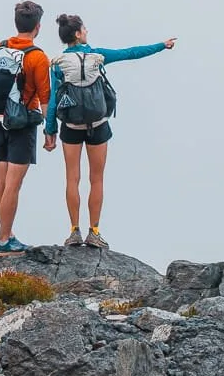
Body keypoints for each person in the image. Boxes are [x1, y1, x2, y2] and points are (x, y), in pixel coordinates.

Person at [44, 14, 176, 250]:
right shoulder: (97, 55)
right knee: (97, 179)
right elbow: (131, 52)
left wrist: (50, 130)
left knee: (72, 178)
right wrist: (161, 46)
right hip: (98, 125)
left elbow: (53, 98)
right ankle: (94, 232)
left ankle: (74, 231)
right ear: (78, 34)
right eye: (84, 28)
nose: (86, 30)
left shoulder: (59, 63)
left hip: (71, 127)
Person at [0, 1, 51, 257]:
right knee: (14, 185)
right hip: (23, 123)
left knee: (2, 183)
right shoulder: (37, 56)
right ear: (37, 27)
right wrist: (50, 130)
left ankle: (6, 234)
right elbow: (45, 97)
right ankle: (4, 241)